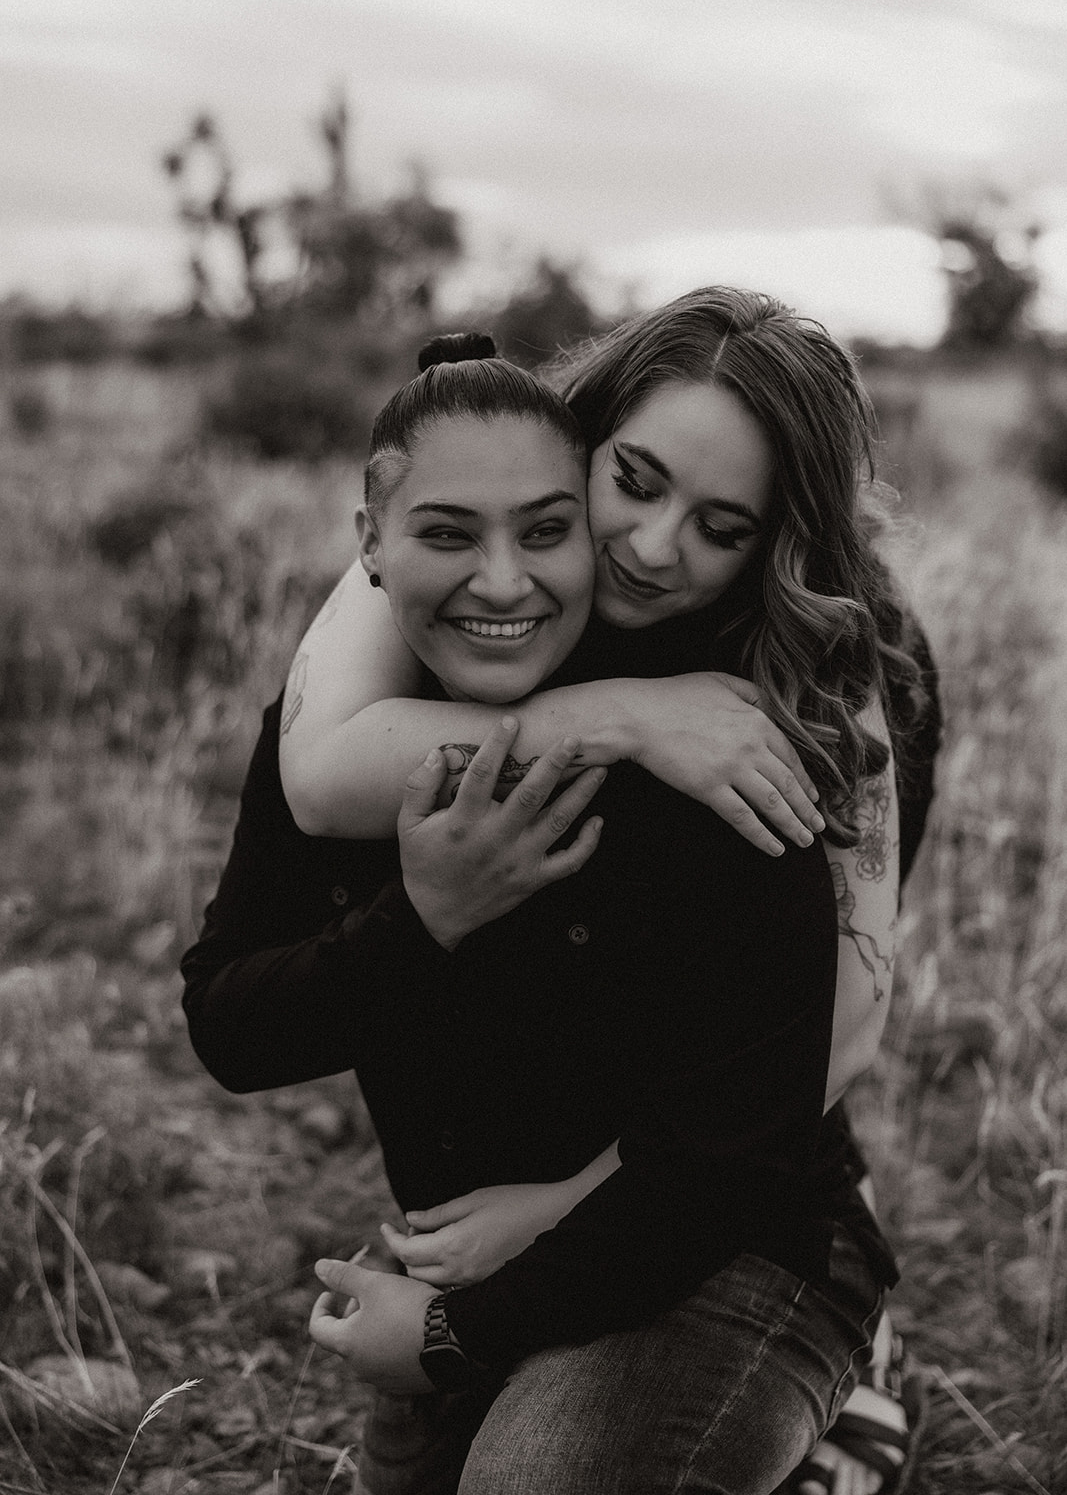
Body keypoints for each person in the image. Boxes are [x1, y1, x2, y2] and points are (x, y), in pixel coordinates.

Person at [179, 311, 926, 1493]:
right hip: (494, 1260)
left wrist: (478, 1298)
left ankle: (843, 1389)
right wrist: (426, 912)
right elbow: (232, 1017)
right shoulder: (383, 680)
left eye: (719, 525)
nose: (648, 545)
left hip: (717, 1234)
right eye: (628, 482)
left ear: (769, 544)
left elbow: (812, 1059)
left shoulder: (748, 732)